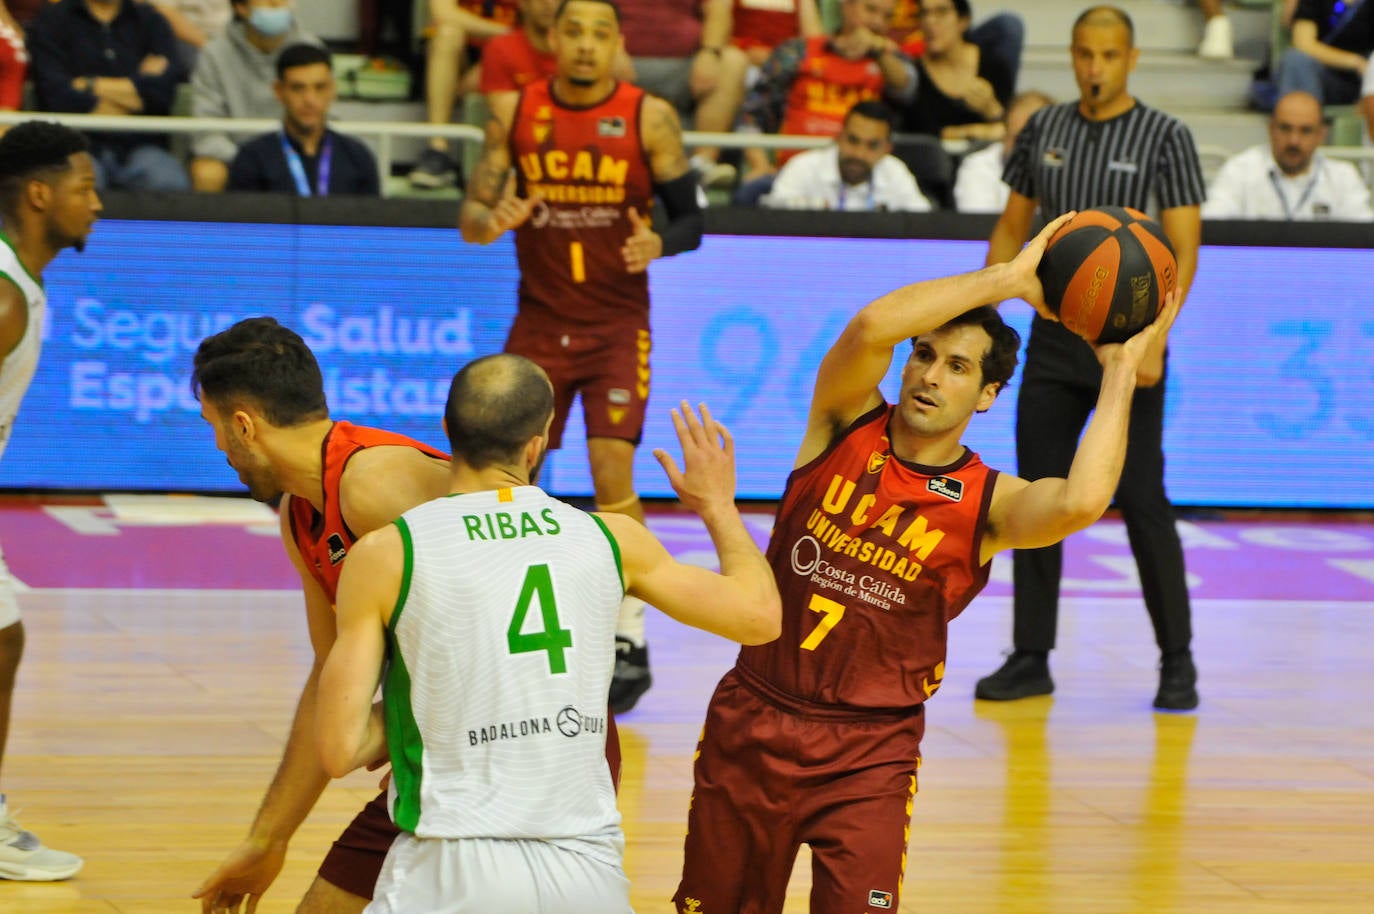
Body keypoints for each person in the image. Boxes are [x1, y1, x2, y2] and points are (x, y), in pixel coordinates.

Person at [673, 213, 1183, 913]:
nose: (929, 376)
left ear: (988, 395)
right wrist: (1009, 278)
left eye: (957, 366)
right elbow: (869, 328)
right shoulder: (843, 420)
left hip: (869, 751)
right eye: (923, 355)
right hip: (756, 716)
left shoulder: (987, 503)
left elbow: (1083, 501)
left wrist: (1121, 369)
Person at [316, 355, 782, 913]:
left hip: (449, 867)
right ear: (537, 445)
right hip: (586, 869)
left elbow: (339, 748)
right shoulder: (611, 538)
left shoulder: (387, 553)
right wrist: (717, 506)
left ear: (446, 431)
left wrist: (445, 709)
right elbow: (759, 618)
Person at [459, 0, 705, 715]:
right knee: (505, 473)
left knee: (610, 472)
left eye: (602, 34)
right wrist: (491, 219)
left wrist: (662, 240)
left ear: (618, 43)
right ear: (552, 38)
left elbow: (692, 217)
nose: (588, 46)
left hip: (615, 326)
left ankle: (629, 634)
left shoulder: (648, 115)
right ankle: (500, 618)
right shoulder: (516, 111)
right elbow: (471, 217)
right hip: (540, 320)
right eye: (576, 32)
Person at [978, 5, 1206, 711]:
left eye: (1107, 55)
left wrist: (1154, 341)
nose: (1094, 67)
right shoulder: (1044, 128)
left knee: (1140, 497)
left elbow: (1186, 246)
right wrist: (987, 321)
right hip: (1053, 335)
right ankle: (1031, 655)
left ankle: (1177, 660)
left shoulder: (1166, 136)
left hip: (1124, 343)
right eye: (1083, 54)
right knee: (1037, 496)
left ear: (1131, 58)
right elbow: (1013, 226)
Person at [189, 316, 454, 913]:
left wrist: (401, 723)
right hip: (438, 759)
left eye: (213, 428)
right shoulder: (300, 515)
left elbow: (513, 612)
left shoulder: (377, 483)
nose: (217, 448)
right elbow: (332, 678)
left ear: (243, 426)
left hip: (528, 752)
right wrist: (268, 836)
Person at [0, 120, 101, 882]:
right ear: (40, 194)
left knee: (4, 637)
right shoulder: (5, 299)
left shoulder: (17, 285)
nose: (96, 204)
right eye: (83, 188)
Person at [735, 0, 917, 195]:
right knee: (750, 193)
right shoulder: (798, 51)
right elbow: (751, 115)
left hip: (864, 181)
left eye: (887, 16)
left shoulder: (891, 61)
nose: (878, 22)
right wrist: (760, 164)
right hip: (793, 175)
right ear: (846, 5)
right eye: (871, 10)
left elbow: (906, 89)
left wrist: (879, 51)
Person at [25, 0, 190, 192]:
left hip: (142, 143)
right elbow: (56, 95)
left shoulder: (151, 21)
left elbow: (161, 94)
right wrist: (136, 88)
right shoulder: (52, 20)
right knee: (75, 186)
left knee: (168, 181)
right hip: (74, 142)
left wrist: (87, 84)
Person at [616, 0, 751, 189]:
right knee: (592, 59)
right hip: (619, 58)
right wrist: (610, 46)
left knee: (732, 62)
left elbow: (718, 9)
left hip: (687, 67)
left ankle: (702, 165)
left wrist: (710, 52)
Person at [190, 0, 322, 193]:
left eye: (282, 2)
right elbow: (206, 130)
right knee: (207, 172)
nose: (277, 6)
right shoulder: (214, 54)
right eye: (269, 3)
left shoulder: (313, 49)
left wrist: (286, 159)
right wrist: (254, 161)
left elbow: (324, 118)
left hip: (298, 154)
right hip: (233, 157)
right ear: (241, 7)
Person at [227, 44, 381, 196]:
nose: (309, 99)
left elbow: (372, 218)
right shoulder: (253, 158)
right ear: (279, 91)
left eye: (319, 87)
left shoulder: (358, 157)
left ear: (332, 90)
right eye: (298, 88)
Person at [1204, 90, 1373, 220]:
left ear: (1321, 135)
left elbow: (1365, 241)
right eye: (1285, 128)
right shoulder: (1239, 171)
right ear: (1270, 129)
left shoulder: (1343, 178)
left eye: (1305, 131)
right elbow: (1212, 229)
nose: (1294, 141)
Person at [407, 0, 513, 189]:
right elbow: (443, 13)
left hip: (512, 51)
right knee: (447, 33)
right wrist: (505, 35)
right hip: (467, 50)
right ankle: (437, 149)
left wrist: (501, 51)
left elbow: (543, 18)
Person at [762, 99, 931, 210]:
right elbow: (773, 214)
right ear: (839, 137)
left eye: (872, 145)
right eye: (852, 140)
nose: (858, 154)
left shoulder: (895, 172)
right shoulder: (804, 167)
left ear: (886, 149)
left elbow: (923, 224)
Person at [899, 0, 1014, 142]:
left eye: (941, 12)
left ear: (963, 21)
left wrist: (992, 109)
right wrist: (972, 132)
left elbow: (1010, 130)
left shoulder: (994, 65)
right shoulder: (913, 74)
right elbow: (919, 134)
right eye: (924, 13)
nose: (930, 21)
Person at [952, 89, 1052, 213]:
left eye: (1034, 140)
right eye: (1017, 138)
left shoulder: (1062, 167)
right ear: (1005, 133)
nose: (1025, 148)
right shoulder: (979, 165)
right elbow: (979, 223)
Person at [1275, 0, 1374, 105]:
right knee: (1295, 60)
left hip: (1366, 80)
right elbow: (1302, 44)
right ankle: (1303, 118)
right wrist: (1356, 62)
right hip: (1322, 76)